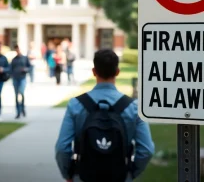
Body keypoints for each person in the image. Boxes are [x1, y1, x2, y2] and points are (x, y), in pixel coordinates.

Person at [55, 49, 155, 182]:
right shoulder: (134, 107)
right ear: (117, 72)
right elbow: (147, 149)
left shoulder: (76, 105)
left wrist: (68, 174)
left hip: (84, 176)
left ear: (94, 71)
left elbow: (62, 148)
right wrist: (131, 173)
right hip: (120, 176)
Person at [11, 44, 31, 119]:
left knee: (21, 93)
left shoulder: (25, 58)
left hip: (22, 78)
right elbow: (11, 69)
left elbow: (29, 67)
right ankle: (18, 111)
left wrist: (25, 69)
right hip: (15, 78)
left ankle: (22, 108)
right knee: (16, 95)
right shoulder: (14, 60)